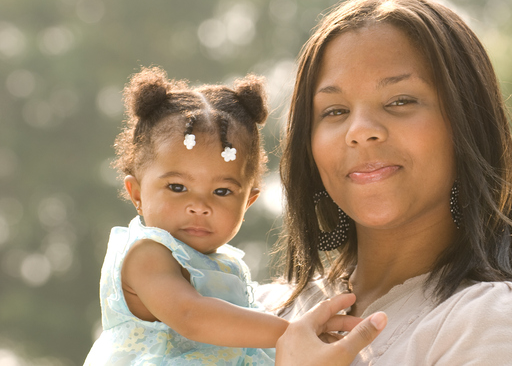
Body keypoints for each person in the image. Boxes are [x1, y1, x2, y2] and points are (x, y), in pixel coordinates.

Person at [262, 0, 512, 365]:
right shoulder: (265, 310)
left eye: (400, 101)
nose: (361, 131)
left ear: (465, 126)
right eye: (335, 111)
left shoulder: (495, 320)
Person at [85, 67, 365, 365]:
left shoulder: (226, 266)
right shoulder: (147, 254)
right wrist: (294, 332)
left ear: (248, 201)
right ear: (137, 194)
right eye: (177, 187)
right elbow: (191, 316)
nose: (199, 205)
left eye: (221, 192)